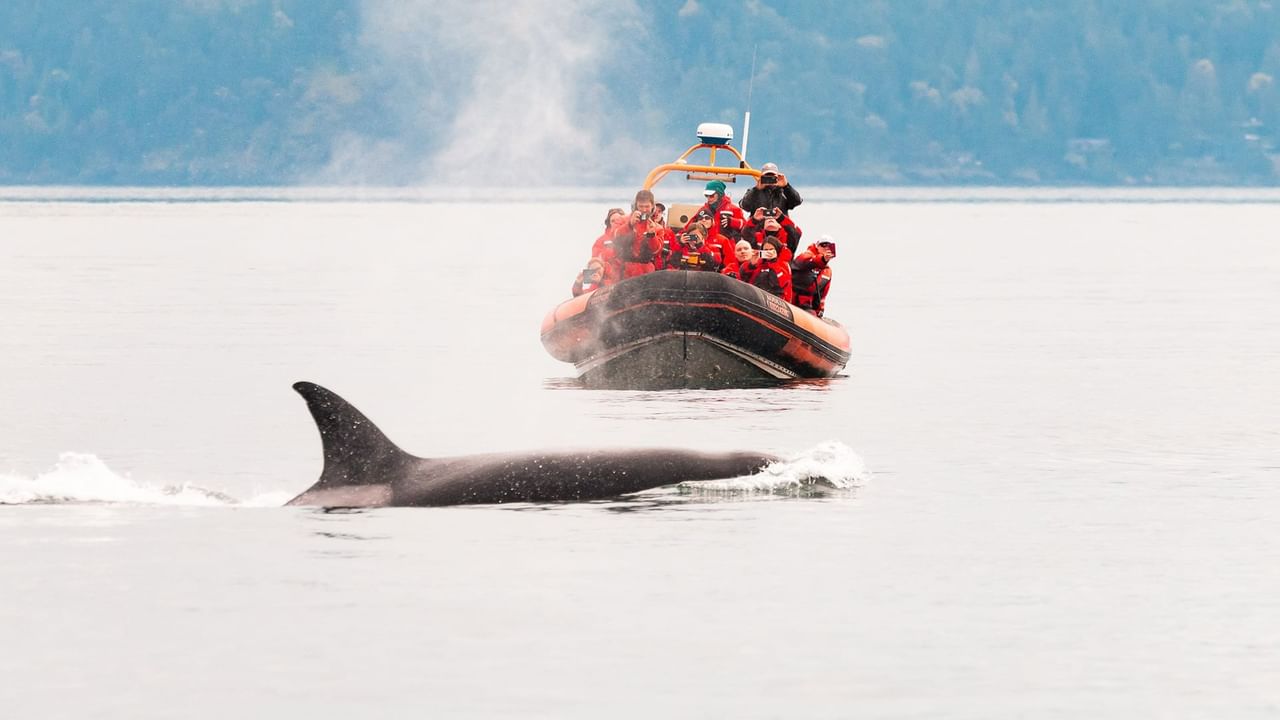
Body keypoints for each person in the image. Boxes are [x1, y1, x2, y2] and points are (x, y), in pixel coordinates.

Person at [682, 180, 745, 262]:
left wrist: (733, 222)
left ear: (719, 194)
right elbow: (688, 228)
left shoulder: (734, 209)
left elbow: (745, 228)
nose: (708, 198)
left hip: (728, 248)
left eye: (711, 195)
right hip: (706, 246)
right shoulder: (703, 210)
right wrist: (681, 239)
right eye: (706, 195)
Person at [610, 190, 665, 279]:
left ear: (652, 207)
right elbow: (614, 237)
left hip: (646, 271)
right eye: (641, 206)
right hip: (624, 270)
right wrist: (629, 225)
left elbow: (656, 251)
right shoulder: (623, 220)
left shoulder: (657, 228)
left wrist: (652, 236)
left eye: (647, 206)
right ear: (635, 206)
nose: (644, 210)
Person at [790, 235, 837, 316]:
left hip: (806, 306)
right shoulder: (805, 256)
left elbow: (822, 295)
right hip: (790, 300)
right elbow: (805, 262)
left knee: (812, 316)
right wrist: (822, 259)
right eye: (823, 245)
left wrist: (820, 310)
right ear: (817, 246)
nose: (826, 248)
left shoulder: (827, 271)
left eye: (830, 246)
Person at [751, 236, 792, 303]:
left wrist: (773, 262)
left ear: (777, 250)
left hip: (778, 302)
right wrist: (751, 265)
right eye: (766, 250)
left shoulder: (784, 264)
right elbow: (748, 280)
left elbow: (779, 283)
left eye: (771, 249)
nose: (768, 252)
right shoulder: (760, 264)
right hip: (759, 298)